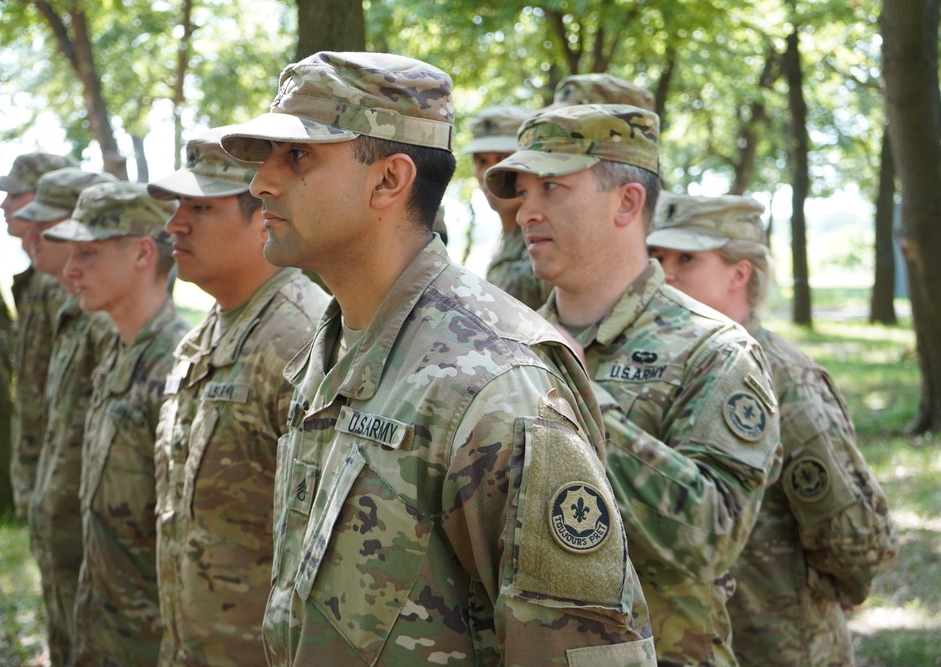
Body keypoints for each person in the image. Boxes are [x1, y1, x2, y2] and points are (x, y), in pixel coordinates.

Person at [220, 50, 655, 665]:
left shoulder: (497, 383)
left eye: (297, 156)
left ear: (390, 181)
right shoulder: (332, 350)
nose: (261, 181)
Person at [485, 104, 783, 666]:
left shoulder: (713, 349)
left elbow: (713, 536)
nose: (526, 211)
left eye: (552, 187)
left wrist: (579, 402)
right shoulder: (501, 342)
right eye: (523, 191)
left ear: (627, 202)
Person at [647, 193, 898, 667]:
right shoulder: (662, 365)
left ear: (740, 273)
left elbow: (856, 535)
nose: (665, 272)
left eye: (686, 258)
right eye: (657, 257)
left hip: (781, 645)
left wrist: (846, 585)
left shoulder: (784, 377)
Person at [148, 127, 328, 667]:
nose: (174, 223)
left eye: (200, 207)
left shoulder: (302, 342)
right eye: (178, 205)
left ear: (262, 217)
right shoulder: (203, 336)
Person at [41, 181, 189, 666]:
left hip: (150, 641)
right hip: (104, 628)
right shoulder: (118, 355)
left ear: (143, 253)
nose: (70, 269)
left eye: (88, 252)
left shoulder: (176, 368)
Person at [15, 167, 118, 667]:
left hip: (92, 537)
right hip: (60, 519)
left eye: (48, 225)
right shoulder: (73, 310)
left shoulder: (104, 319)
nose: (33, 235)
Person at [0, 152, 78, 517]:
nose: (4, 204)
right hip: (40, 466)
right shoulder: (40, 280)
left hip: (62, 474)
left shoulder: (63, 283)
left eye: (16, 195)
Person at [464, 105, 551, 309]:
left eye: (503, 159)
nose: (488, 172)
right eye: (481, 161)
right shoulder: (506, 237)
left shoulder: (548, 238)